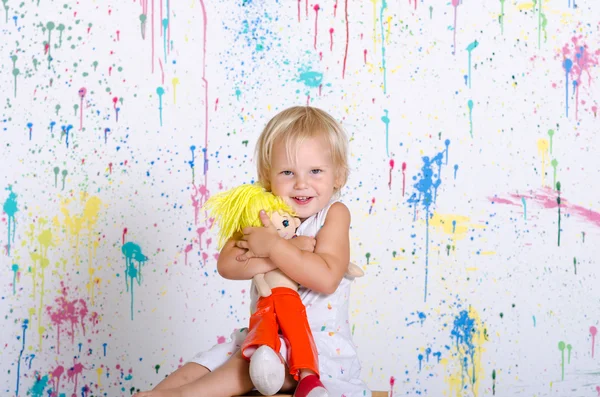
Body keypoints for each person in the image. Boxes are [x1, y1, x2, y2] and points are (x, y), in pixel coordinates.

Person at [134, 106, 370, 397]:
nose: (301, 183)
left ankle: (182, 396)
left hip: (315, 352)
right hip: (266, 333)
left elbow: (326, 278)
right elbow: (228, 265)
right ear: (267, 177)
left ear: (338, 176)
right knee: (212, 359)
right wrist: (277, 249)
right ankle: (153, 394)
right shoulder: (263, 214)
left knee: (255, 359)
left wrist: (273, 247)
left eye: (316, 171)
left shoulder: (333, 215)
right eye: (287, 172)